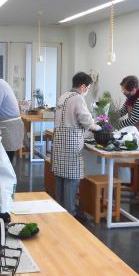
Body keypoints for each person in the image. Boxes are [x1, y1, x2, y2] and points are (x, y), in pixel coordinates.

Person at [52, 72, 100, 215]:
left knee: (60, 177)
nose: (88, 90)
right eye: (88, 88)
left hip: (59, 140)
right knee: (71, 178)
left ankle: (59, 210)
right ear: (83, 86)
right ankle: (70, 212)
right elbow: (86, 120)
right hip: (71, 142)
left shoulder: (63, 96)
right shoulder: (78, 98)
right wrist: (98, 127)